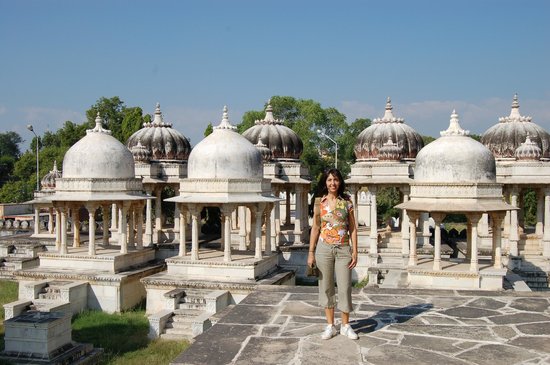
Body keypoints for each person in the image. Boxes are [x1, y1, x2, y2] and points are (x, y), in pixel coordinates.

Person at [308, 168, 359, 340]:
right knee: (326, 286)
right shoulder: (319, 203)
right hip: (324, 249)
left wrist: (355, 251)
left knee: (345, 287)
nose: (332, 183)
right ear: (325, 182)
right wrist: (311, 252)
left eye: (335, 180)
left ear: (340, 182)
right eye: (329, 180)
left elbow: (352, 228)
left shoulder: (347, 202)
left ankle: (345, 325)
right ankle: (330, 325)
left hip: (343, 249)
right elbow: (315, 228)